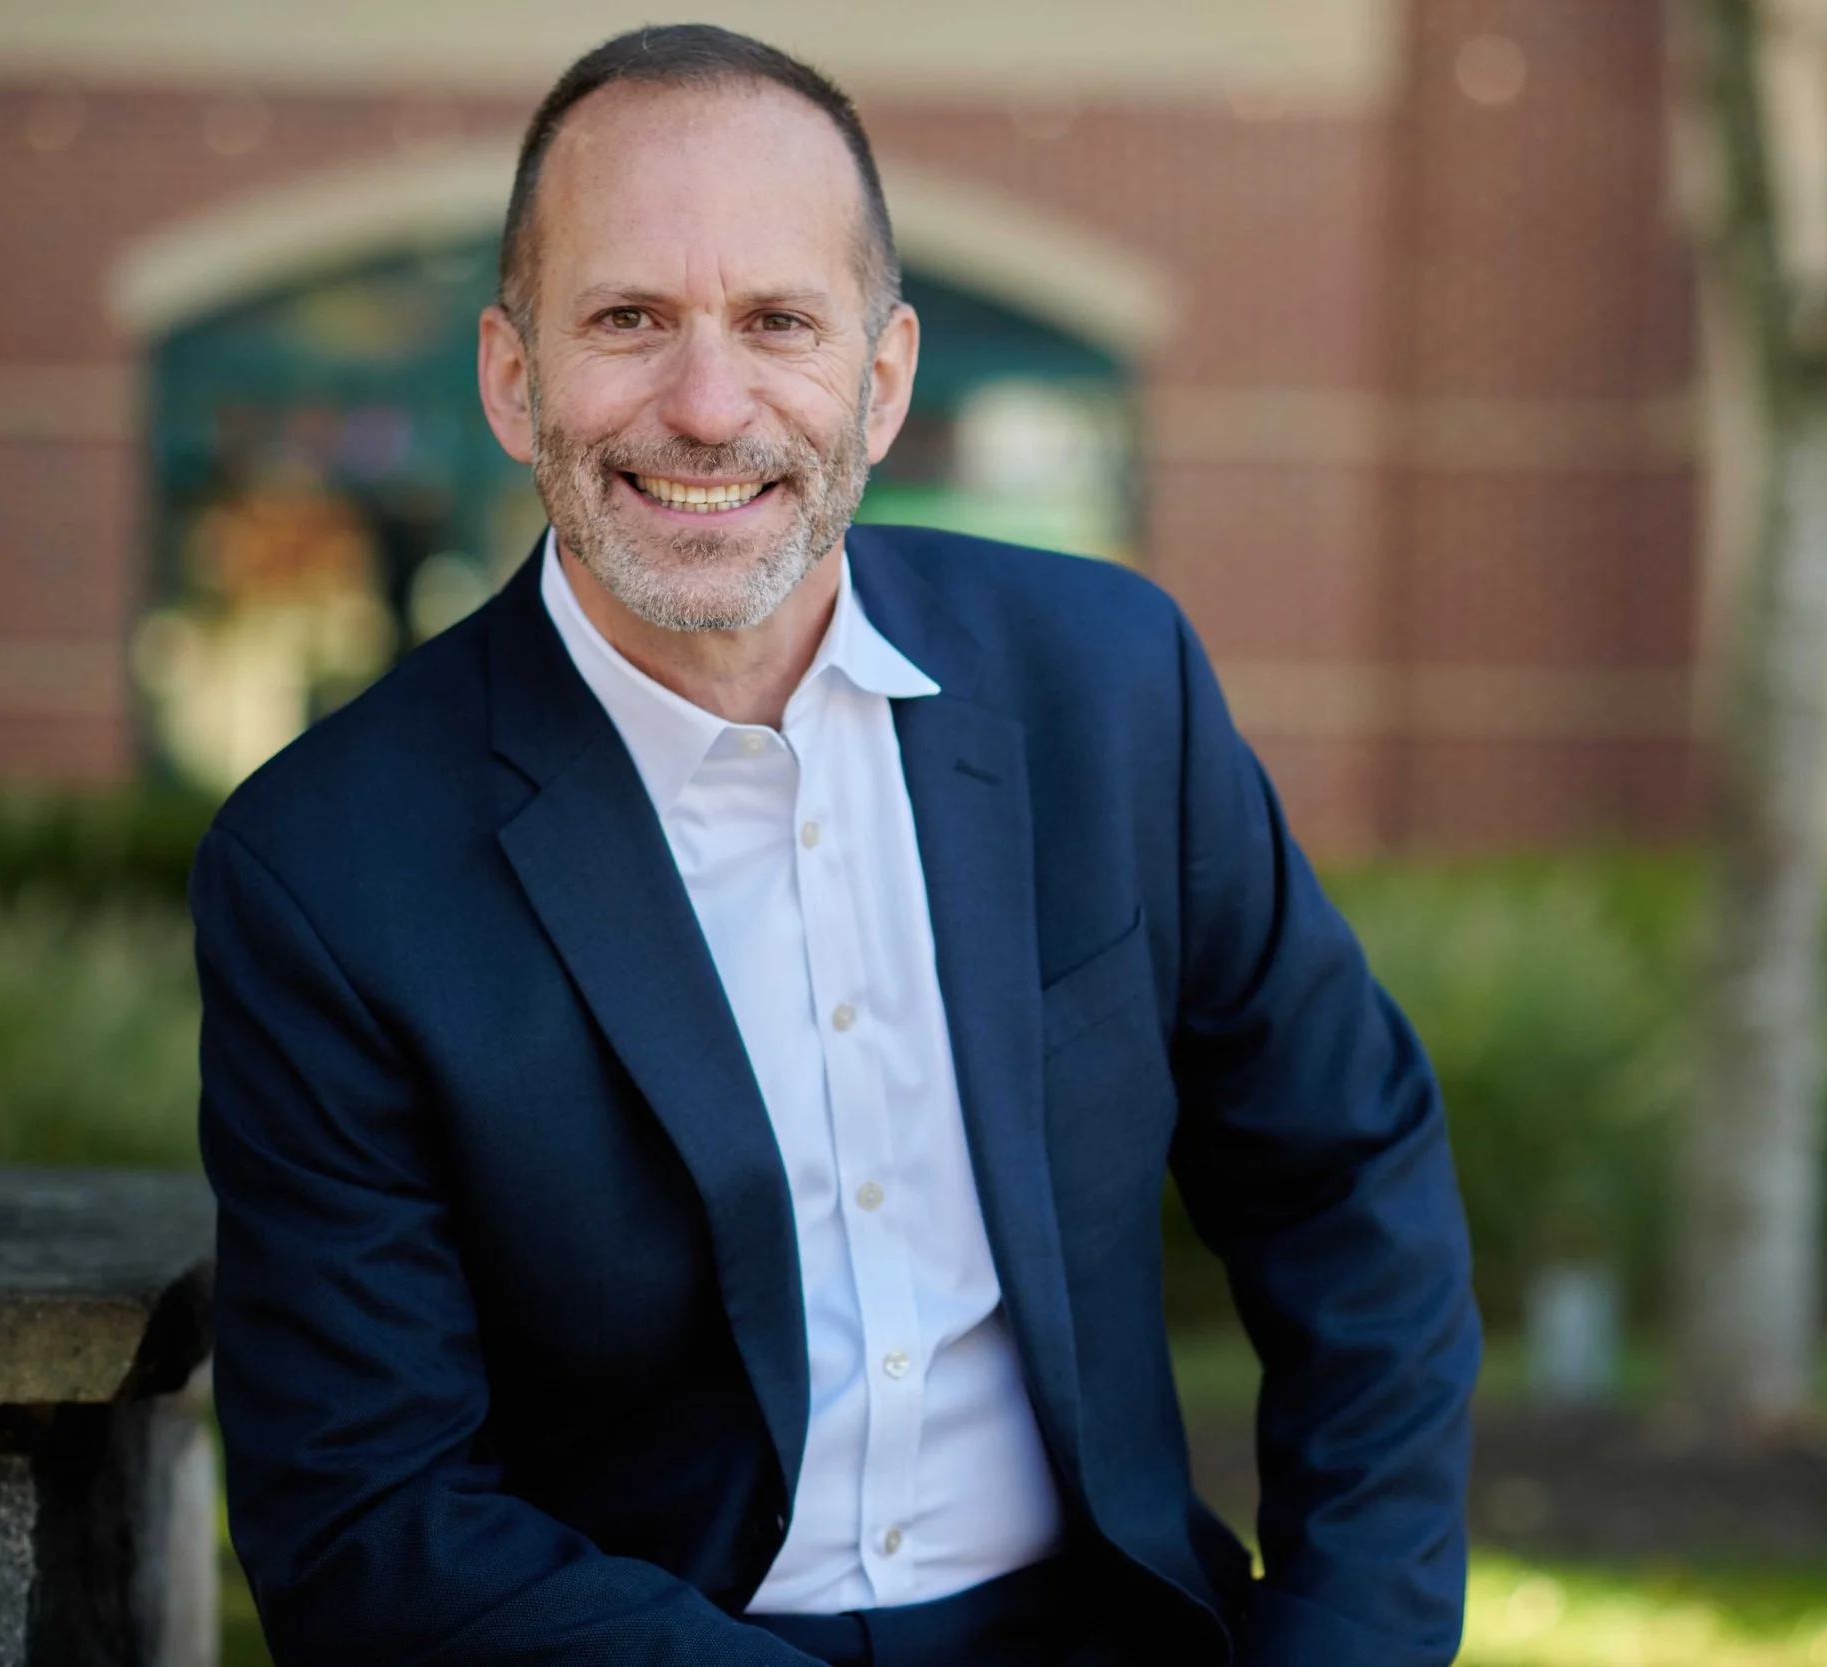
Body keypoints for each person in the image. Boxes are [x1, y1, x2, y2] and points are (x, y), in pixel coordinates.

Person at [193, 24, 1479, 1667]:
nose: (709, 403)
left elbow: (1348, 1179)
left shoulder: (1110, 688)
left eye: (779, 322)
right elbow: (368, 1515)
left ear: (880, 379)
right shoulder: (327, 869)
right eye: (630, 319)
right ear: (515, 380)